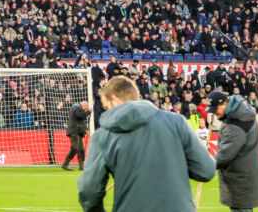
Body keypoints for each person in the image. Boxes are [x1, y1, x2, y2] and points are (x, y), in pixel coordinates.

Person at [78, 75, 215, 212]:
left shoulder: (103, 136)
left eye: (107, 106)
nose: (108, 111)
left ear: (115, 99)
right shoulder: (176, 122)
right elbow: (206, 170)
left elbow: (89, 190)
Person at [206, 91, 258, 212]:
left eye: (216, 109)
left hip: (240, 180)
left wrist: (205, 165)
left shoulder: (235, 124)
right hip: (243, 177)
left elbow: (224, 155)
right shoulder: (240, 116)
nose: (215, 113)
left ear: (226, 103)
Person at [61, 101, 92, 171]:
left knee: (81, 149)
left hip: (78, 132)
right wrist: (88, 112)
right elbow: (80, 115)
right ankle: (65, 164)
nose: (86, 109)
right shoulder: (76, 108)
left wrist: (86, 129)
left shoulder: (79, 109)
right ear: (83, 105)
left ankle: (81, 166)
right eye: (86, 107)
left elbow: (82, 121)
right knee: (74, 148)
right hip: (74, 131)